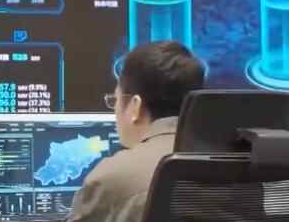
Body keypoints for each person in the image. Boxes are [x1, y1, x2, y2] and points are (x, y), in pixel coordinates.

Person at [66, 41, 205, 222]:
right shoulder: (234, 166)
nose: (115, 110)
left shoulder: (113, 177)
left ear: (135, 105)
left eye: (115, 101)